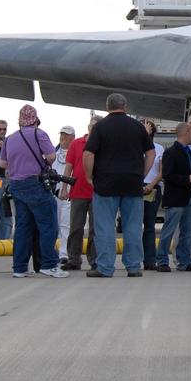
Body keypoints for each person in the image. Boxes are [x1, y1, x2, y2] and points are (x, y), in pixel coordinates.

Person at [84, 93, 154, 278]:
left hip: (106, 183)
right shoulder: (138, 127)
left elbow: (88, 154)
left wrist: (89, 176)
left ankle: (105, 268)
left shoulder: (100, 127)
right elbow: (151, 153)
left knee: (105, 226)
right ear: (125, 106)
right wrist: (142, 174)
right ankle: (133, 266)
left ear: (108, 107)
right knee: (132, 225)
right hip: (132, 182)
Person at [0, 105, 66, 279]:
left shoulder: (10, 138)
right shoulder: (39, 134)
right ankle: (49, 264)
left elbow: (3, 164)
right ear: (35, 119)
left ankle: (20, 267)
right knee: (48, 225)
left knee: (22, 227)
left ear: (20, 120)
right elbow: (51, 156)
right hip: (35, 184)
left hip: (16, 185)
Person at [157, 122, 191, 272]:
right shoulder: (171, 152)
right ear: (185, 133)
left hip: (188, 196)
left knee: (188, 230)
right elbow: (167, 175)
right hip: (175, 198)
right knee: (169, 230)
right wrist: (186, 179)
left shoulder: (187, 151)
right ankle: (162, 260)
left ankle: (185, 261)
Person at [62, 116, 101, 270]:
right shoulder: (76, 144)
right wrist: (64, 187)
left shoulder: (103, 145)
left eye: (97, 126)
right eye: (92, 126)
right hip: (78, 192)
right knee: (76, 227)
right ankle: (74, 259)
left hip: (97, 193)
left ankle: (94, 260)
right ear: (88, 127)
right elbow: (68, 166)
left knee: (95, 229)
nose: (93, 128)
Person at [141, 119, 163, 271]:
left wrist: (151, 185)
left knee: (149, 226)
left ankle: (150, 260)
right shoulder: (134, 147)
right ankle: (134, 258)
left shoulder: (159, 148)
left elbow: (162, 171)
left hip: (152, 188)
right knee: (133, 225)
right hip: (135, 187)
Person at [55, 125, 75, 261]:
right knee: (53, 223)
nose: (63, 138)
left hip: (69, 194)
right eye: (62, 135)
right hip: (54, 193)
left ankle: (64, 252)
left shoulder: (76, 153)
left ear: (72, 138)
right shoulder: (52, 154)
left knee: (66, 224)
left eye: (67, 136)